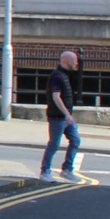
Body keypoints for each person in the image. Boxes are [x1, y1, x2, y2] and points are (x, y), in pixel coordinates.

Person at [41, 49, 83, 181]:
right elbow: (56, 97)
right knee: (54, 144)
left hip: (66, 117)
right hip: (58, 117)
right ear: (67, 61)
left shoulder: (64, 75)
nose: (76, 63)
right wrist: (66, 114)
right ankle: (45, 172)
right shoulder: (57, 76)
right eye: (75, 61)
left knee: (75, 140)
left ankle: (67, 169)